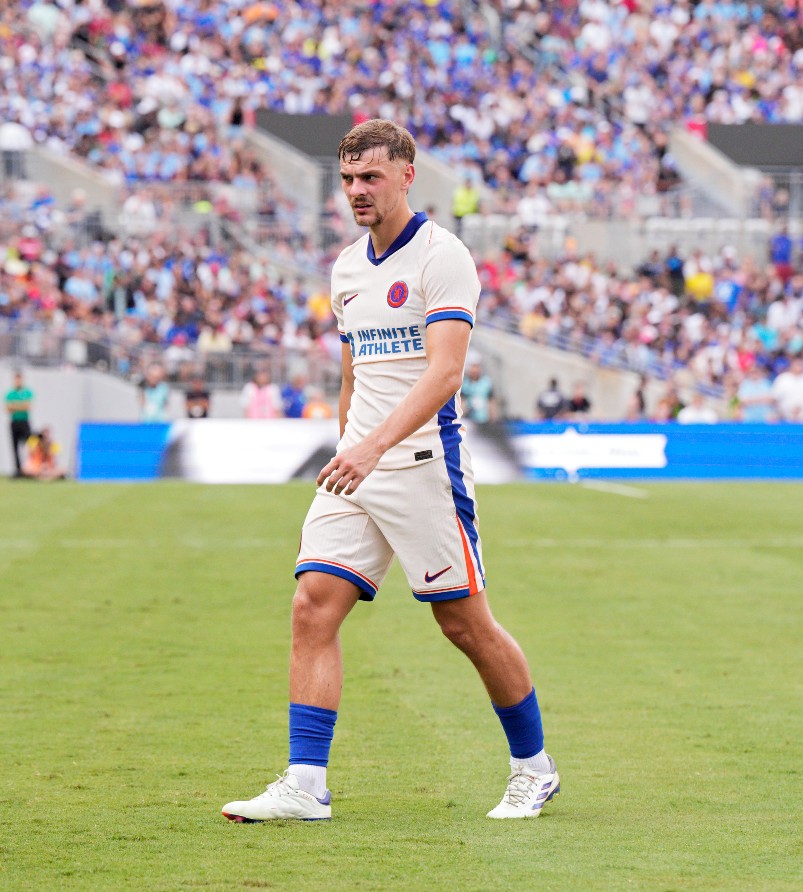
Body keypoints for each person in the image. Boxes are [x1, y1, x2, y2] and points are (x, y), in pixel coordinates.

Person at [222, 119, 557, 824]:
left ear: (408, 174)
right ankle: (305, 782)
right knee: (312, 603)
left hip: (421, 465)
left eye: (370, 177)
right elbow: (352, 371)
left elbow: (444, 373)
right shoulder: (347, 268)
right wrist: (349, 445)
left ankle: (533, 767)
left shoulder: (443, 257)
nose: (356, 192)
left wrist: (372, 447)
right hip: (357, 466)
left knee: (464, 624)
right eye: (347, 180)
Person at [5, 371, 33, 477]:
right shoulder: (10, 393)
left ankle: (29, 468)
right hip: (14, 422)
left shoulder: (27, 392)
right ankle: (18, 470)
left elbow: (28, 406)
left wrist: (15, 406)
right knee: (14, 447)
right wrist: (21, 405)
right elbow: (8, 408)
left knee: (29, 446)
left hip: (24, 422)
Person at [461, 357, 495, 424]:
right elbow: (462, 401)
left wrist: (492, 417)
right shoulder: (464, 383)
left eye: (476, 367)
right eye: (472, 367)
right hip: (468, 419)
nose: (475, 370)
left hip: (483, 419)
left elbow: (491, 401)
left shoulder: (486, 383)